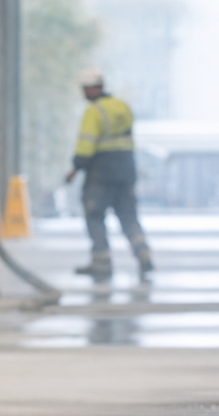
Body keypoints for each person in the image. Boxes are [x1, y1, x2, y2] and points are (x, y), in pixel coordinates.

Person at [65, 68, 153, 278]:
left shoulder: (94, 112)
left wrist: (75, 168)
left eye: (85, 89)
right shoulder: (122, 107)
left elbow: (86, 146)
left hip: (102, 172)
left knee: (94, 214)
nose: (84, 93)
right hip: (126, 169)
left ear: (93, 88)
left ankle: (101, 262)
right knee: (128, 216)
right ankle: (143, 253)